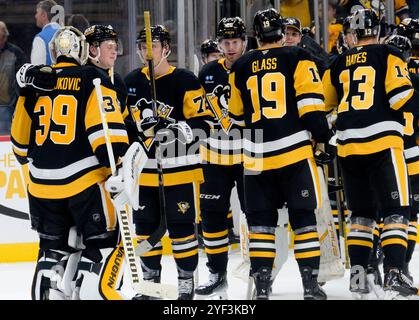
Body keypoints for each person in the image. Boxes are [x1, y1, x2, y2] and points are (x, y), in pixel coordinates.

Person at [11, 26, 130, 300]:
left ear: (54, 51)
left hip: (40, 189)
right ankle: (89, 287)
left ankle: (50, 281)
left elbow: (18, 147)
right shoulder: (93, 78)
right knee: (105, 245)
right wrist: (121, 169)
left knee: (51, 252)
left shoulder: (34, 83)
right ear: (82, 50)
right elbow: (108, 141)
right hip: (85, 186)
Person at [228, 8, 331, 300]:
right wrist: (326, 138)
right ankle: (310, 286)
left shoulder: (241, 65)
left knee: (261, 226)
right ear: (281, 33)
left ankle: (263, 287)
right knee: (304, 221)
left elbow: (236, 116)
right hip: (294, 154)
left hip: (256, 158)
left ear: (256, 36)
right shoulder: (298, 57)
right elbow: (311, 108)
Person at [322, 8, 419, 299]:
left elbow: (324, 103)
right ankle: (393, 274)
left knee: (360, 216)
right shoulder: (388, 54)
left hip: (349, 146)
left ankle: (358, 280)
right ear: (377, 31)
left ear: (351, 33)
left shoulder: (338, 62)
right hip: (383, 143)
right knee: (395, 212)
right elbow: (401, 96)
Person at [124, 25, 216, 300]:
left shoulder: (185, 80)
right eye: (142, 47)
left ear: (166, 49)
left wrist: (176, 129)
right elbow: (124, 127)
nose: (146, 51)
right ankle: (152, 287)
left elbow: (205, 124)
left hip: (179, 172)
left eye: (152, 46)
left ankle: (185, 282)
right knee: (145, 231)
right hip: (144, 174)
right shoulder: (132, 82)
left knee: (182, 229)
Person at [195, 16, 247, 299]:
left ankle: (260, 268)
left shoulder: (252, 67)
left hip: (250, 151)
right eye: (225, 42)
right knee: (213, 216)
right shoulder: (207, 72)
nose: (230, 47)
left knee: (255, 213)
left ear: (244, 42)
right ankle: (217, 272)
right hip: (214, 154)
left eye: (235, 41)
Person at [0, 21, 26, 135]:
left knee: (6, 137)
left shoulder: (15, 53)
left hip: (8, 106)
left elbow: (23, 77)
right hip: (6, 106)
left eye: (1, 37)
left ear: (5, 37)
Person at [31, 0, 60, 65]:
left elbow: (37, 71)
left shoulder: (41, 38)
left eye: (37, 13)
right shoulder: (68, 33)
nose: (36, 16)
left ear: (44, 15)